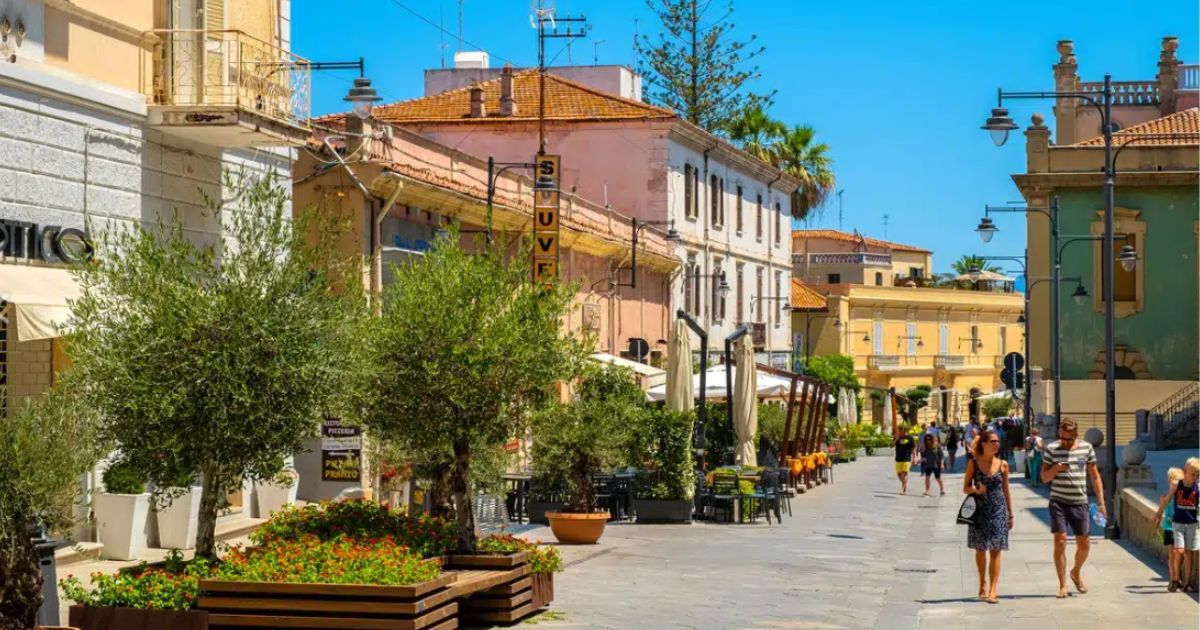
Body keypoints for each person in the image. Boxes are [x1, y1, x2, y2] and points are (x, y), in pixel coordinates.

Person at [1041, 417, 1106, 598]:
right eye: (1062, 437)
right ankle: (1062, 585)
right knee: (1060, 540)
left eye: (1068, 439)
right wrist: (1055, 469)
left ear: (1076, 435)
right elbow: (1044, 477)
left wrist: (1101, 503)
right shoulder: (1052, 449)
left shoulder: (1087, 448)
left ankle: (1076, 571)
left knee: (1084, 545)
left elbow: (1095, 476)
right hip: (1058, 501)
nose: (1064, 442)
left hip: (1080, 502)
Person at [964, 429, 1013, 604]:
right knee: (980, 549)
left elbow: (1006, 490)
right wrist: (976, 490)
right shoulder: (973, 463)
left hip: (998, 509)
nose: (996, 444)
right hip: (979, 510)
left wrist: (1010, 514)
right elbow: (965, 488)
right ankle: (982, 582)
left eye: (997, 441)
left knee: (995, 549)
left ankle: (993, 589)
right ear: (983, 444)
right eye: (992, 441)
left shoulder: (1003, 464)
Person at [1169, 458, 1199, 593]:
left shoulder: (1197, 487)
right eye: (1192, 474)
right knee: (1179, 551)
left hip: (1192, 523)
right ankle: (1176, 578)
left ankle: (1187, 582)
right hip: (1178, 523)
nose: (1194, 477)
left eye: (1197, 475)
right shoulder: (1177, 485)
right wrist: (1158, 514)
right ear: (1184, 471)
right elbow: (1166, 499)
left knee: (1188, 553)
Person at [1153, 467, 1186, 592]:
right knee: (1172, 553)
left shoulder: (1182, 498)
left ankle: (1178, 577)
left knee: (1180, 553)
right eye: (1173, 483)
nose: (1176, 486)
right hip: (1168, 528)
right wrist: (1156, 527)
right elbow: (1159, 513)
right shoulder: (1165, 497)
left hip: (1181, 527)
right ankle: (1173, 578)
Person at [893, 430, 917, 496]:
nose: (902, 433)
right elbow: (891, 445)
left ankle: (902, 489)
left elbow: (914, 448)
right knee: (899, 475)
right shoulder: (898, 437)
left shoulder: (910, 438)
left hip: (906, 459)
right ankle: (904, 484)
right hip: (898, 459)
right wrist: (896, 439)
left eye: (903, 432)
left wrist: (914, 458)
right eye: (901, 432)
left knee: (904, 475)